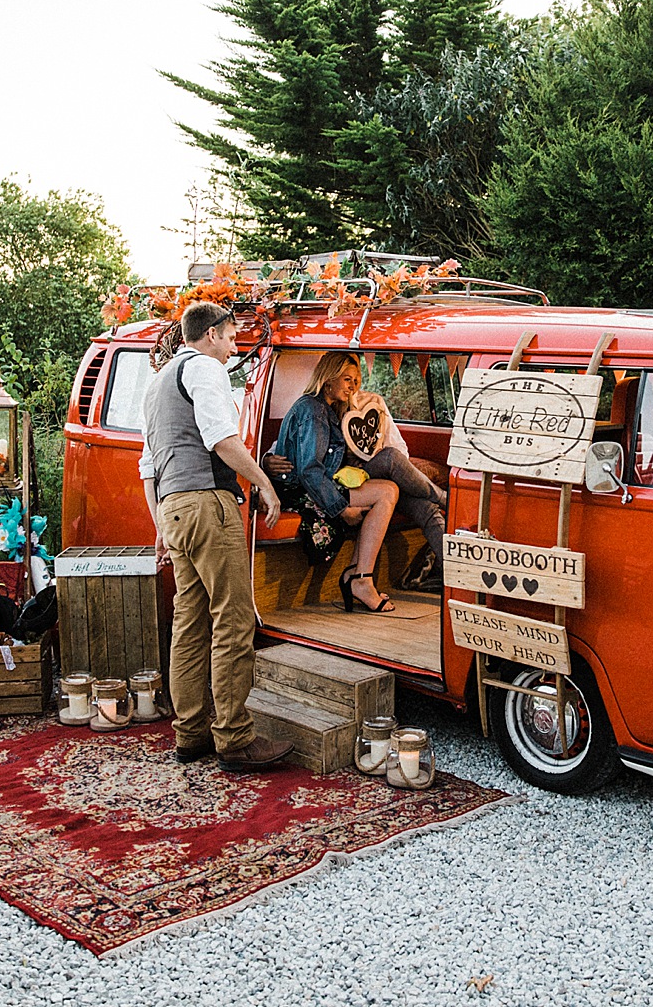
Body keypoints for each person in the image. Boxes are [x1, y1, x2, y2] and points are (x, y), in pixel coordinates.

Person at [139, 301, 289, 773]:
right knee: (233, 619)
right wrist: (263, 482)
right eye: (229, 337)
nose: (233, 346)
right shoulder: (204, 369)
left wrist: (161, 526)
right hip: (208, 503)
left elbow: (147, 467)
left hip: (174, 511)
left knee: (190, 622)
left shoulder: (158, 381)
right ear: (209, 336)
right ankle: (235, 739)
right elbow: (222, 440)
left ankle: (191, 733)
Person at [267, 351, 446, 612]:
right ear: (328, 380)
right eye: (347, 379)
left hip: (348, 477)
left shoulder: (356, 405)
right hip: (305, 490)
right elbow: (308, 469)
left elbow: (399, 453)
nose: (355, 386)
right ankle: (361, 577)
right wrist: (341, 508)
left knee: (406, 490)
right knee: (389, 486)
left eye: (357, 380)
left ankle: (365, 576)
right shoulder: (313, 410)